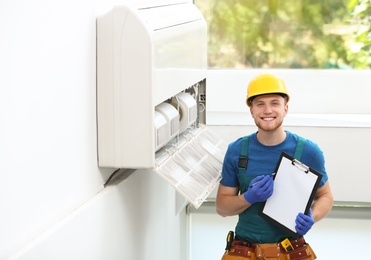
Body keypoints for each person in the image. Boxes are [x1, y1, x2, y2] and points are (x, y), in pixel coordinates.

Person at [216, 73, 334, 259]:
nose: (267, 110)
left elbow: (325, 196)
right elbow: (222, 208)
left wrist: (313, 216)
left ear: (285, 109)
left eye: (274, 103)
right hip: (245, 250)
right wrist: (248, 197)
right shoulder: (237, 150)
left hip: (291, 250)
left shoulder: (309, 151)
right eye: (260, 104)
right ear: (252, 110)